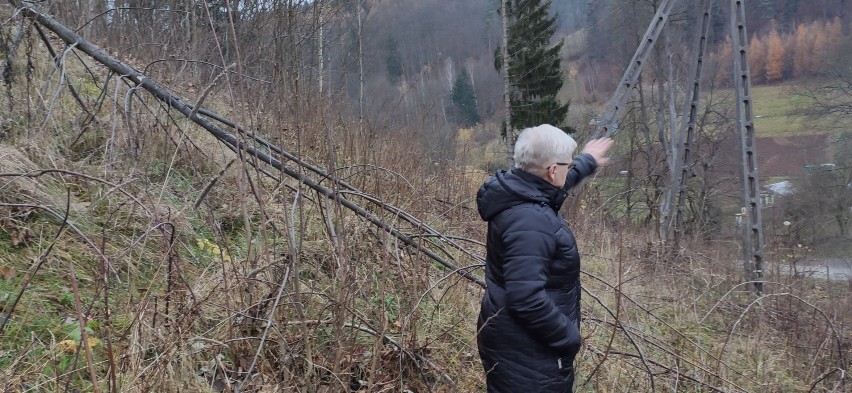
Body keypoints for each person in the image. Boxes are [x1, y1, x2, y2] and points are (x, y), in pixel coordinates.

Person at [476, 124, 613, 392]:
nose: (569, 169)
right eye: (568, 164)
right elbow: (525, 297)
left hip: (511, 336)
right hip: (528, 349)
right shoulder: (531, 221)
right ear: (552, 170)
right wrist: (568, 337)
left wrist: (586, 161)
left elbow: (552, 187)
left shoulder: (518, 190)